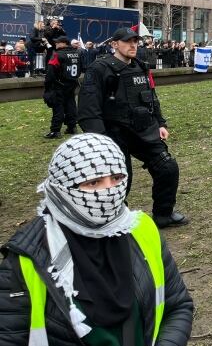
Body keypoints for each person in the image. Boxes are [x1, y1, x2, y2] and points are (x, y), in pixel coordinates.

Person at [0, 134, 193, 345]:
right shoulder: (25, 261)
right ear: (63, 188)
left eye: (117, 178)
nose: (109, 192)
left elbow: (178, 306)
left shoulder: (141, 229)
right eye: (93, 182)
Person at [77, 27, 188, 228]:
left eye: (135, 41)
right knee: (119, 178)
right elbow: (88, 110)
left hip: (142, 130)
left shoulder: (140, 67)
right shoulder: (99, 69)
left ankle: (163, 214)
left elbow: (151, 98)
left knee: (167, 167)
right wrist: (100, 141)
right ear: (114, 44)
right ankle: (114, 220)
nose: (133, 45)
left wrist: (160, 123)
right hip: (113, 133)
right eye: (128, 41)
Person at [43, 36, 82, 139]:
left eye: (58, 42)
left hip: (59, 84)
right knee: (71, 104)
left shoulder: (57, 55)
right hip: (72, 83)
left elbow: (50, 72)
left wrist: (47, 86)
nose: (56, 44)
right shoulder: (77, 53)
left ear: (64, 43)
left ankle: (55, 131)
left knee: (58, 107)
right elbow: (82, 67)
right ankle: (72, 127)